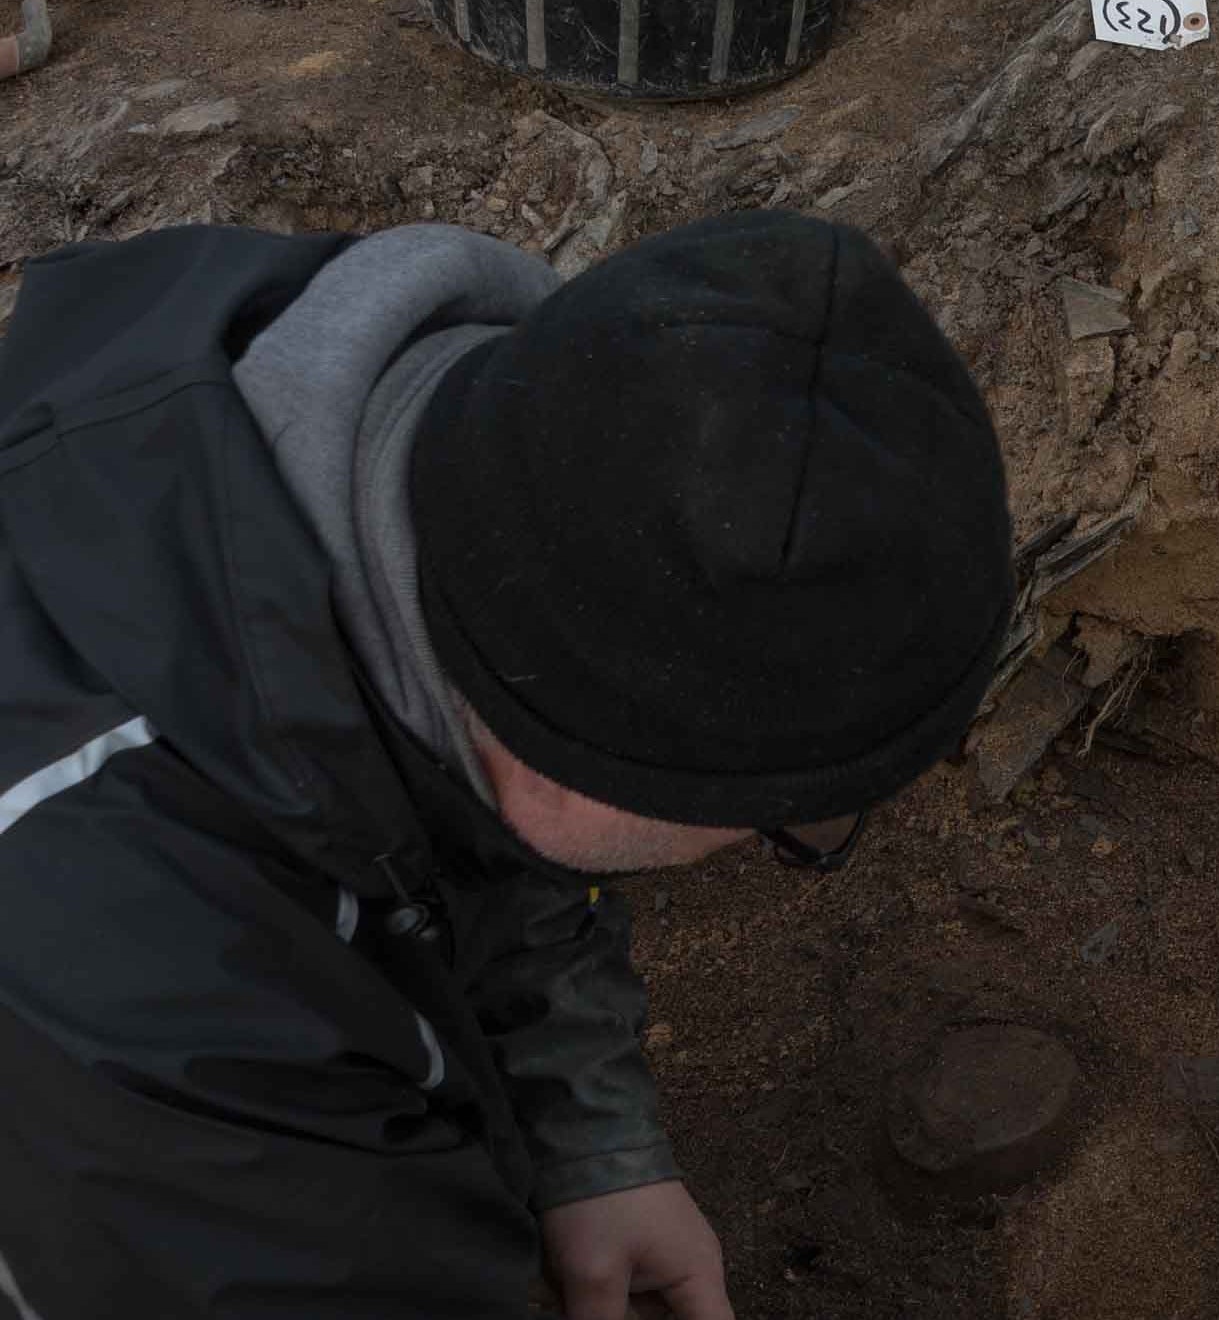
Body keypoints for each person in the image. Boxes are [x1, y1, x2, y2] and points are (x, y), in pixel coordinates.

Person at [0, 213, 1015, 1319]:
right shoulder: (175, 1047)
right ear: (582, 761)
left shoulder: (440, 455)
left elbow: (493, 808)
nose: (772, 847)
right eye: (783, 827)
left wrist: (593, 1142)